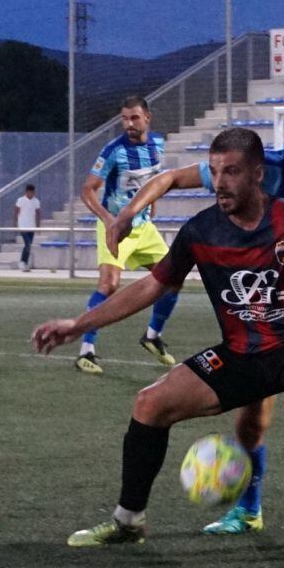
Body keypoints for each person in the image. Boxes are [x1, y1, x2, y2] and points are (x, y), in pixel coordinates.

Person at [32, 128, 284, 560]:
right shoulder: (201, 231)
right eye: (215, 171)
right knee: (148, 405)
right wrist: (77, 324)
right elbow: (149, 287)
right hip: (242, 352)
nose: (220, 182)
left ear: (257, 174)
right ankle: (128, 521)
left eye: (231, 171)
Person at [76, 95, 180, 375]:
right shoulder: (113, 150)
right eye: (124, 118)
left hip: (144, 226)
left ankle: (152, 336)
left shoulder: (157, 144)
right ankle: (86, 352)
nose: (129, 124)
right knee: (109, 284)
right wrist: (109, 219)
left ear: (147, 118)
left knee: (173, 280)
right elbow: (87, 189)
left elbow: (155, 182)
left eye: (134, 117)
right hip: (116, 226)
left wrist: (152, 207)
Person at [13, 184, 41, 272]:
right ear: (26, 192)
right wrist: (15, 222)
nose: (31, 194)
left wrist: (38, 225)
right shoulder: (20, 200)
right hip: (23, 225)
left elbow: (38, 213)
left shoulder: (36, 201)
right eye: (30, 192)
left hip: (31, 226)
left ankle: (24, 262)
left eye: (33, 192)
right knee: (28, 244)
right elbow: (16, 211)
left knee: (29, 245)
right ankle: (22, 262)